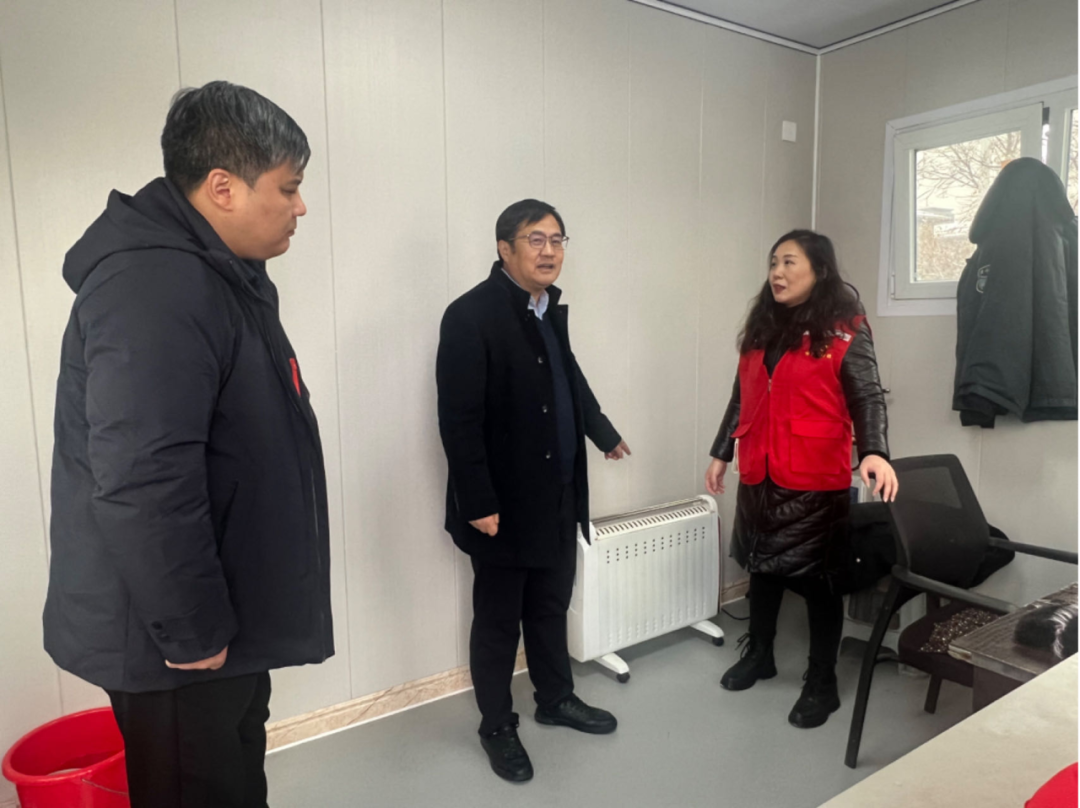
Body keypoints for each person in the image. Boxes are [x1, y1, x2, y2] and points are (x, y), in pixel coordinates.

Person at [44, 81, 332, 808]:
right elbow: (144, 481)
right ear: (223, 187)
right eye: (289, 188)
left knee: (232, 774)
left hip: (214, 614)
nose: (301, 207)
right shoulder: (155, 286)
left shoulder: (219, 273)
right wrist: (192, 630)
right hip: (174, 642)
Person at [437, 200, 631, 783]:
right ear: (505, 249)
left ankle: (555, 698)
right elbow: (458, 419)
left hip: (557, 492)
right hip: (503, 504)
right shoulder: (470, 315)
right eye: (535, 239)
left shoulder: (544, 308)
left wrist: (602, 432)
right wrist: (477, 501)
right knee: (499, 622)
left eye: (557, 239)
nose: (549, 251)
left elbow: (568, 377)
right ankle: (497, 726)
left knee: (549, 606)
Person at [705, 230, 897, 730]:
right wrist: (722, 452)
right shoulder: (762, 329)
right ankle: (760, 654)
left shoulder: (845, 331)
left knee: (819, 583)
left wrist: (875, 451)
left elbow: (867, 396)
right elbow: (741, 397)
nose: (777, 272)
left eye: (789, 262)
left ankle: (822, 681)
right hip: (760, 470)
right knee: (762, 570)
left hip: (814, 475)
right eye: (773, 262)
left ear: (820, 271)